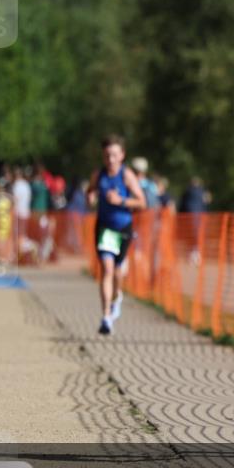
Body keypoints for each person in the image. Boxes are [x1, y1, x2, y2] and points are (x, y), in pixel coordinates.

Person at [89, 135, 146, 335]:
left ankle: (117, 297)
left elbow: (142, 202)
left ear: (122, 155)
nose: (110, 159)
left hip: (123, 228)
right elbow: (90, 192)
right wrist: (91, 197)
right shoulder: (99, 174)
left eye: (114, 155)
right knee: (107, 268)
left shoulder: (126, 175)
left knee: (118, 273)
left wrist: (120, 201)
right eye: (107, 155)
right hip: (105, 229)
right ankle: (106, 317)